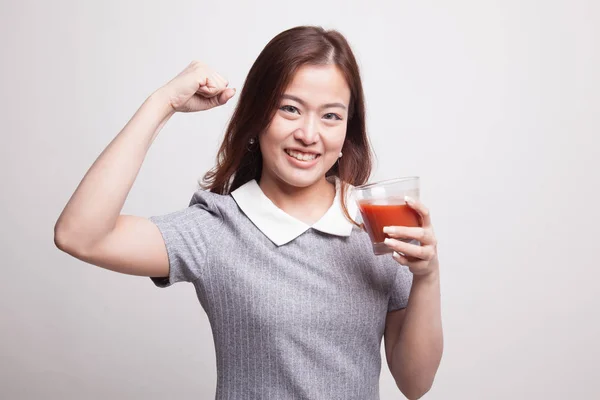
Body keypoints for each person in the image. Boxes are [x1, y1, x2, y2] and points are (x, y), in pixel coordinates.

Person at [54, 26, 443, 400]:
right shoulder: (217, 228)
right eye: (290, 108)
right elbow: (80, 235)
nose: (309, 134)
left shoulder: (376, 225)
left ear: (347, 131)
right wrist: (163, 103)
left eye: (330, 116)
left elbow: (415, 384)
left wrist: (426, 276)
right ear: (258, 117)